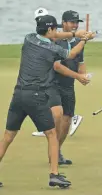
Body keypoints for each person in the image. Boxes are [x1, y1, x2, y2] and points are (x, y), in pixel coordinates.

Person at [0, 15, 92, 188]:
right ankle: (54, 174)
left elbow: (56, 37)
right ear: (49, 30)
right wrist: (84, 40)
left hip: (18, 95)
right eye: (55, 29)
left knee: (8, 136)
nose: (57, 32)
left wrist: (75, 35)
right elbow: (71, 54)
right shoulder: (52, 49)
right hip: (36, 96)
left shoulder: (29, 38)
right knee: (52, 135)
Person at [31, 10, 89, 165]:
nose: (75, 25)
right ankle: (54, 153)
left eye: (77, 23)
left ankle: (57, 151)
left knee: (67, 121)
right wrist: (78, 76)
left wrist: (84, 77)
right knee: (58, 115)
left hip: (68, 86)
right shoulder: (55, 40)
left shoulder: (78, 42)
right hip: (53, 84)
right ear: (63, 23)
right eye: (72, 22)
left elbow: (80, 66)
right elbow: (57, 66)